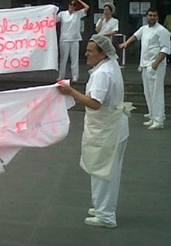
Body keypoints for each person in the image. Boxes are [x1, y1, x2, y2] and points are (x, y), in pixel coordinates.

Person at [58, 34, 129, 229]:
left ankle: (105, 215)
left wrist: (71, 92)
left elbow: (95, 103)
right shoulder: (111, 65)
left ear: (103, 54)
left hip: (107, 128)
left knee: (101, 171)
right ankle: (104, 208)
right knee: (110, 171)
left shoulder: (102, 74)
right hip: (116, 124)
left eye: (90, 51)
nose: (86, 54)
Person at [120, 8, 171, 130]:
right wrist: (126, 43)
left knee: (156, 93)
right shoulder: (144, 29)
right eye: (150, 15)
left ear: (157, 17)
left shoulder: (162, 31)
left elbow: (165, 49)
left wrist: (156, 64)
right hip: (145, 65)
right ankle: (153, 116)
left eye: (154, 15)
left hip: (155, 65)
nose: (152, 17)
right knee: (147, 92)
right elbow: (135, 36)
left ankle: (158, 120)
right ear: (146, 16)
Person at [57, 0, 90, 82]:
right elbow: (53, 21)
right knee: (63, 59)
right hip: (64, 39)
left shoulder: (78, 13)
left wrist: (79, 0)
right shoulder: (62, 14)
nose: (72, 6)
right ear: (68, 5)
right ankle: (61, 76)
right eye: (71, 4)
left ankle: (75, 76)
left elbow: (87, 7)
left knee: (74, 58)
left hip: (75, 39)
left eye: (74, 5)